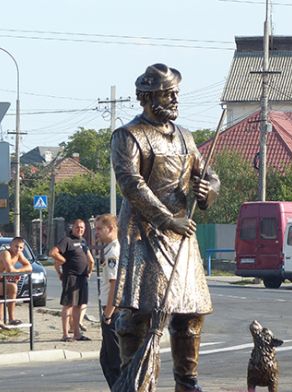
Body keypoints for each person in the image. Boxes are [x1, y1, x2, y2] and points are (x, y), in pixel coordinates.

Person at [111, 63, 220, 392]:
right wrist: (165, 218)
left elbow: (208, 173)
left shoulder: (185, 136)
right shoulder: (128, 136)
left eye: (176, 93)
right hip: (145, 234)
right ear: (148, 97)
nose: (174, 98)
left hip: (181, 236)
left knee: (190, 313)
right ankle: (135, 379)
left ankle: (187, 383)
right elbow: (131, 184)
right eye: (167, 93)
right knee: (140, 314)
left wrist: (208, 189)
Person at [49, 219, 94, 342]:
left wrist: (89, 271)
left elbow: (90, 259)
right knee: (68, 305)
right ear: (72, 228)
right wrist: (62, 262)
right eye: (77, 227)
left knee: (78, 306)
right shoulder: (67, 240)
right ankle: (65, 334)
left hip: (82, 277)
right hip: (71, 277)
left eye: (82, 228)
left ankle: (77, 334)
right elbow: (53, 253)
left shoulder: (83, 242)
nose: (79, 230)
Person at [94, 213, 121, 387]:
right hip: (112, 310)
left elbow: (114, 285)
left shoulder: (113, 252)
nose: (96, 233)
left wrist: (108, 314)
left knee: (114, 362)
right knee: (106, 359)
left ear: (110, 228)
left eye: (99, 229)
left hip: (113, 312)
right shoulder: (111, 248)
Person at [0, 237, 32, 325]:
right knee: (13, 287)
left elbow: (29, 267)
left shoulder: (19, 254)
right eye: (16, 246)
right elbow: (9, 270)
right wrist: (17, 272)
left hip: (1, 283)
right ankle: (11, 318)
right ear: (10, 246)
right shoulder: (5, 253)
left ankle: (9, 319)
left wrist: (17, 271)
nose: (18, 249)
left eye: (21, 248)